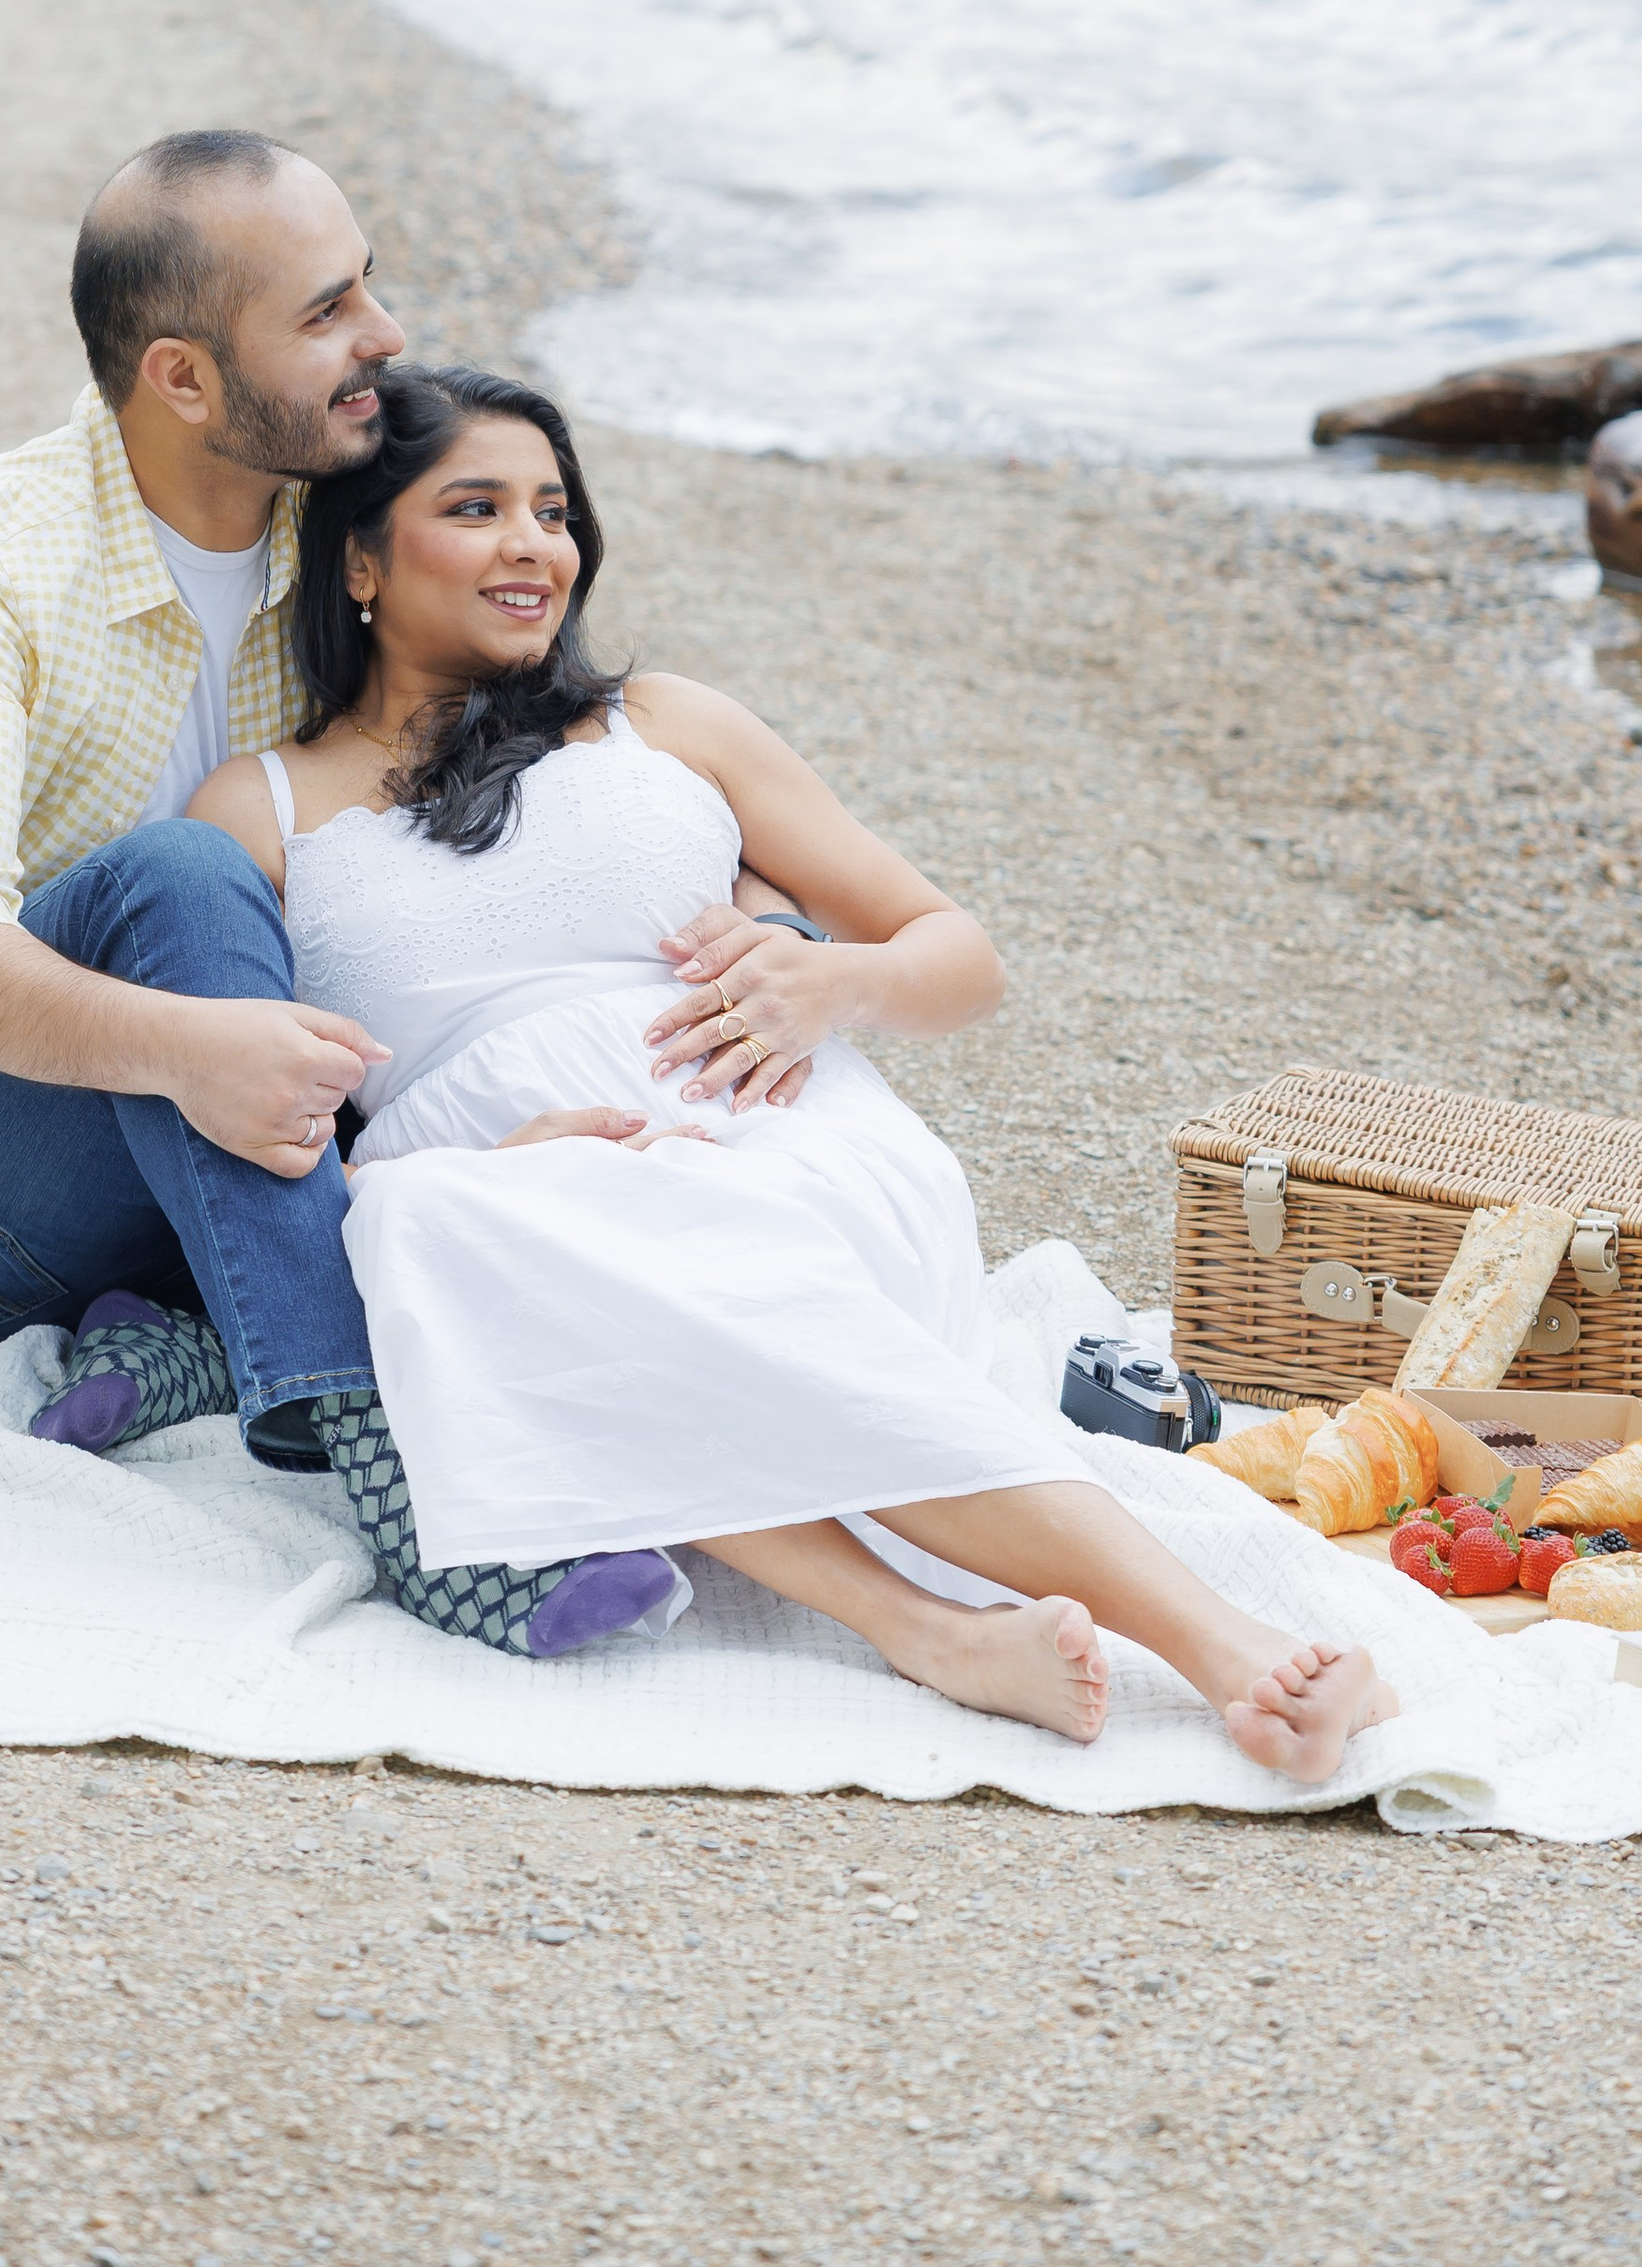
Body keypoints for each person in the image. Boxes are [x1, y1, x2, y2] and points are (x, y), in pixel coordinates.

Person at [188, 362, 1398, 1777]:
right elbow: (249, 1111)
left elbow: (961, 953)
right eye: (478, 507)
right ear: (361, 562)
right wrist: (482, 1167)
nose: (536, 545)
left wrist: (837, 979)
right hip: (497, 1200)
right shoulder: (258, 809)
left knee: (607, 1257)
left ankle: (1223, 1646)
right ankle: (932, 1631)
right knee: (427, 1221)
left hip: (769, 1135)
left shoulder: (666, 725)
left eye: (555, 511)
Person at [0, 131, 701, 1657]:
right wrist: (193, 1050)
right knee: (185, 873)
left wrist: (763, 935)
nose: (383, 335)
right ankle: (407, 1486)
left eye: (367, 286)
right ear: (183, 378)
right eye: (327, 313)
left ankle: (193, 1343)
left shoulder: (357, 521)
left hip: (248, 1135)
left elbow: (554, 736)